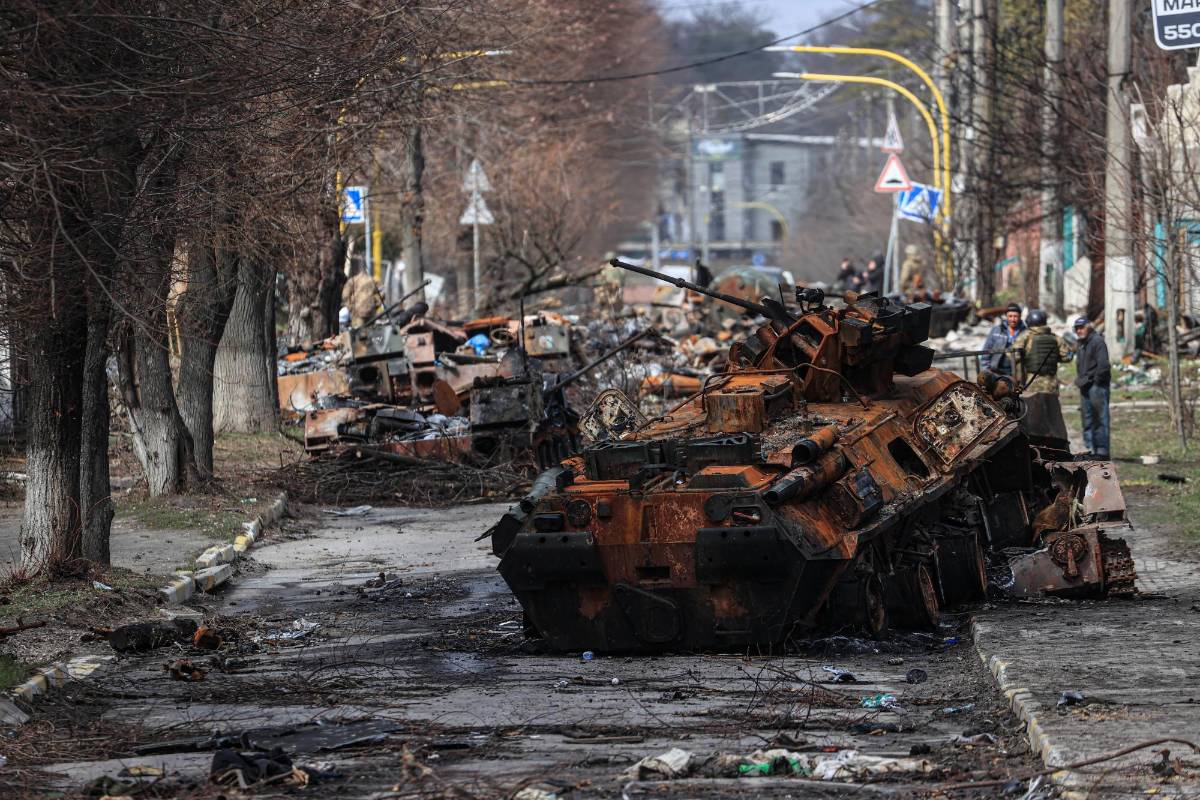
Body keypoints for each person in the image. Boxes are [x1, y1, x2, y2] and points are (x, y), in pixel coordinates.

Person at [1014, 308, 1072, 445]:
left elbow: (1013, 355)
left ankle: (1036, 443)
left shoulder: (1026, 335)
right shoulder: (1055, 338)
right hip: (1051, 384)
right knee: (1052, 415)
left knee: (1033, 417)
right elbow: (1067, 356)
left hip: (1032, 383)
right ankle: (1056, 442)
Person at [1073, 316, 1111, 458]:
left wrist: (1096, 382)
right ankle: (1089, 450)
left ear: (1088, 327)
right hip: (1085, 386)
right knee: (1087, 419)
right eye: (1077, 328)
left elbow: (1103, 366)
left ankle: (1102, 452)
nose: (1079, 331)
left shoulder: (1097, 341)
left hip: (1097, 386)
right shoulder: (1081, 343)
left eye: (1082, 327)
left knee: (1100, 419)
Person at [983, 303, 1026, 375]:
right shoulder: (997, 330)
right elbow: (986, 351)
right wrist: (986, 370)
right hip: (997, 370)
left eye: (1015, 316)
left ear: (1020, 316)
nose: (1013, 319)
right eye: (1010, 316)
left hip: (1019, 372)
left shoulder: (1025, 332)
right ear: (1006, 317)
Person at [341, 262, 378, 328]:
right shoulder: (373, 281)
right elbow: (381, 294)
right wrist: (375, 306)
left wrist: (350, 308)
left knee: (358, 334)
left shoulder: (353, 280)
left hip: (357, 312)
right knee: (372, 334)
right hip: (371, 311)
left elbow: (345, 295)